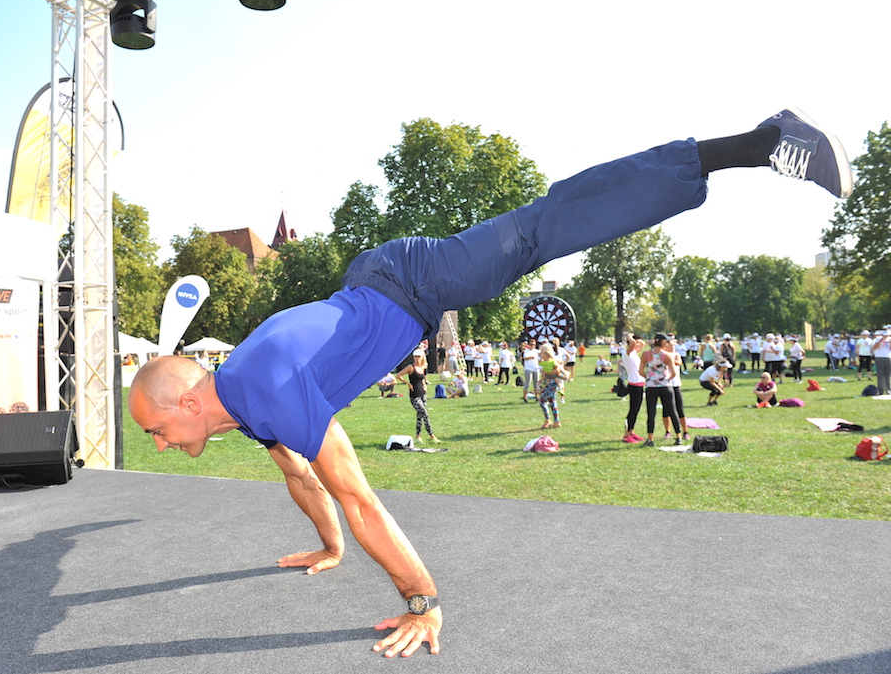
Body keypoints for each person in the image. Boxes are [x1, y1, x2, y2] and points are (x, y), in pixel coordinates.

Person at [128, 108, 852, 658]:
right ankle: (751, 144)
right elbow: (299, 474)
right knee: (537, 232)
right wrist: (331, 546)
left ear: (188, 402)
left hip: (411, 280)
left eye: (156, 430)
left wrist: (423, 600)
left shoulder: (266, 387)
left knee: (542, 228)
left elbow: (358, 498)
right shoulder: (244, 404)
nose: (159, 445)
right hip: (381, 284)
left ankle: (760, 142)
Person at [639, 333, 681, 448]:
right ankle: (678, 437)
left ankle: (650, 439)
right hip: (665, 386)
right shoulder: (667, 355)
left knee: (651, 413)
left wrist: (649, 378)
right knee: (672, 411)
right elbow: (673, 373)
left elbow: (641, 371)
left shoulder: (646, 354)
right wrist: (666, 379)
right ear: (663, 343)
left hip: (651, 386)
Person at [396, 349, 441, 445]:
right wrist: (408, 383)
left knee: (420, 416)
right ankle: (432, 435)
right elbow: (398, 375)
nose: (417, 359)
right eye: (415, 357)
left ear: (422, 357)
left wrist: (424, 384)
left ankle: (418, 436)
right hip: (414, 395)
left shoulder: (422, 367)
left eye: (419, 357)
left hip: (422, 394)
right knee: (425, 414)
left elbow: (422, 378)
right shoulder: (410, 367)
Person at [536, 342, 562, 429]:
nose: (540, 354)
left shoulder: (553, 360)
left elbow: (557, 371)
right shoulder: (544, 361)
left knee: (543, 400)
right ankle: (555, 421)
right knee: (551, 401)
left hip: (552, 383)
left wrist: (546, 373)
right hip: (546, 382)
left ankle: (549, 420)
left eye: (542, 352)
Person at [873, 329, 891, 395]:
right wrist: (881, 340)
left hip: (888, 357)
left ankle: (888, 389)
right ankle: (880, 390)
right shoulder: (877, 339)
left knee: (888, 374)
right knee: (880, 375)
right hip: (879, 357)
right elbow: (874, 348)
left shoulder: (889, 339)